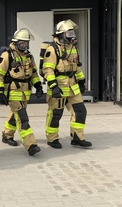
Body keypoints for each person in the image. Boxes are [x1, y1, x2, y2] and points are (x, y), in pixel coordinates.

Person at [42, 19, 92, 149]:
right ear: (61, 35)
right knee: (55, 114)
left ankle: (77, 138)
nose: (72, 37)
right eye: (69, 34)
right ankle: (52, 139)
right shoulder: (52, 49)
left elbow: (77, 66)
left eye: (73, 34)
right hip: (58, 86)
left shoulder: (73, 48)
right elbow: (48, 69)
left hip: (72, 86)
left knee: (81, 111)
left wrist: (82, 81)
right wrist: (53, 87)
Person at [0, 28, 43, 156]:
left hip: (25, 93)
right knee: (22, 118)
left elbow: (33, 73)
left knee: (15, 115)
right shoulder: (7, 55)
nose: (24, 46)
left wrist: (38, 85)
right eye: (22, 44)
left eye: (26, 44)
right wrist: (0, 92)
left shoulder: (29, 56)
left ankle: (7, 135)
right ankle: (30, 145)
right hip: (12, 92)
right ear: (16, 43)